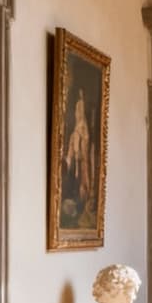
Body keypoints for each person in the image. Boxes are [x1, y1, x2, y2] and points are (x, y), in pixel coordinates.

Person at [63, 87, 95, 218]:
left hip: (82, 162)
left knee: (82, 181)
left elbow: (85, 141)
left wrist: (78, 154)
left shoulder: (82, 127)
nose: (77, 113)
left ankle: (81, 200)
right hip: (77, 162)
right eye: (77, 110)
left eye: (79, 111)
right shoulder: (75, 132)